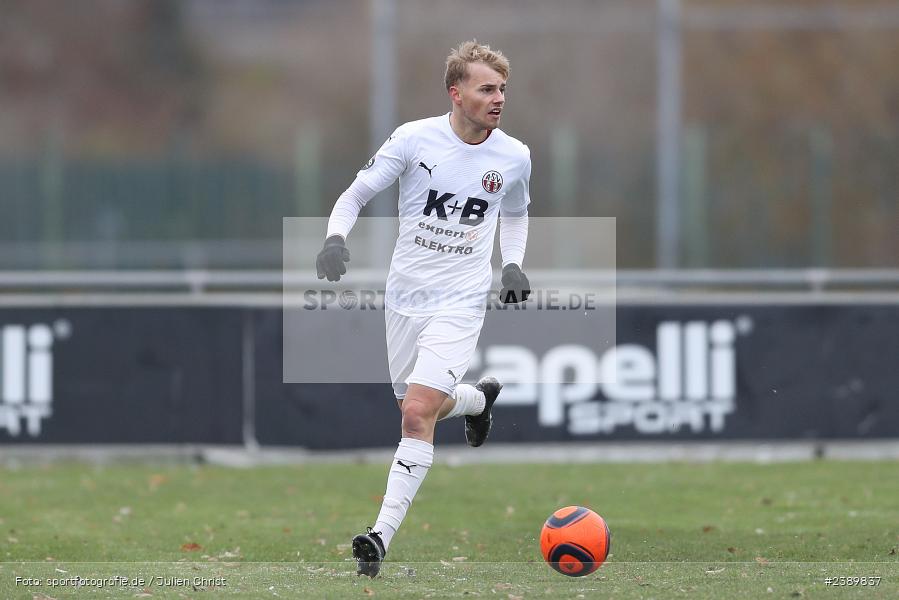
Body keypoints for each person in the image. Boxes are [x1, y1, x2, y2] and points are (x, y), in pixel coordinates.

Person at [315, 40, 532, 578]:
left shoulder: (514, 155)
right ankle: (477, 403)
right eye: (487, 89)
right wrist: (335, 238)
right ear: (456, 93)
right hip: (406, 297)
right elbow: (354, 194)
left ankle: (379, 537)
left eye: (502, 88)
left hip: (461, 299)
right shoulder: (414, 139)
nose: (498, 97)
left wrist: (512, 265)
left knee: (416, 412)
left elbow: (518, 212)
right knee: (417, 407)